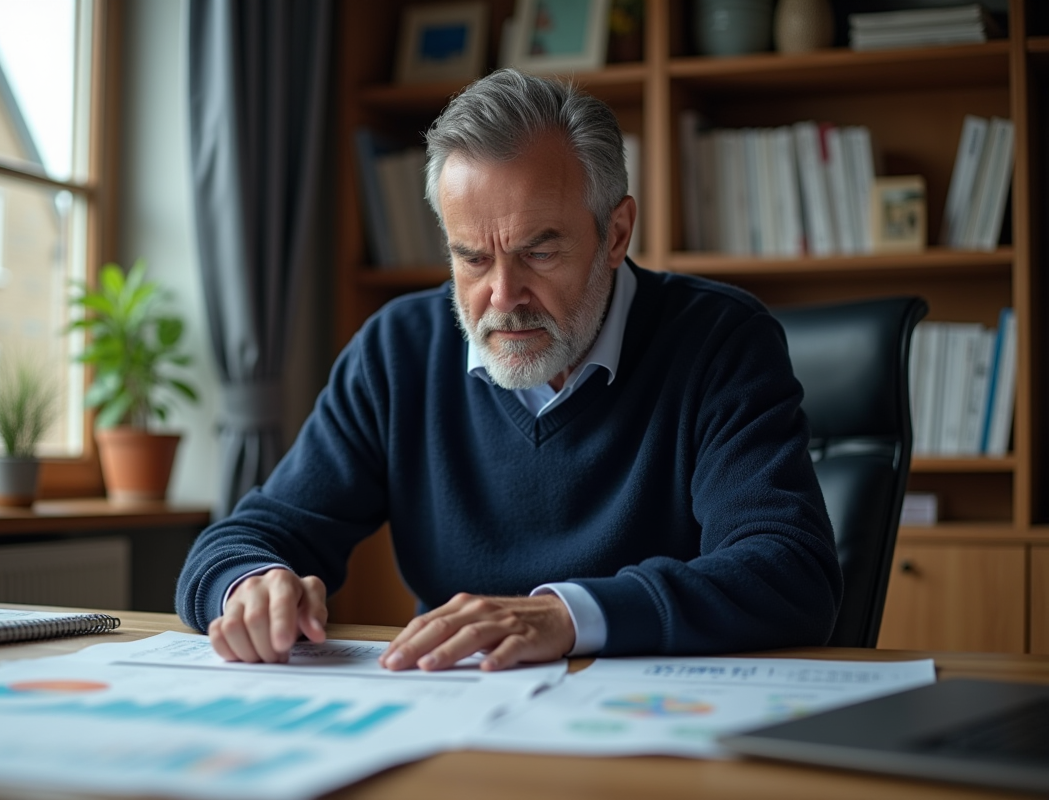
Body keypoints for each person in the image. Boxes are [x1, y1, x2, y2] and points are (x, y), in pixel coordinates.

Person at [176, 68, 843, 672]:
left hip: (648, 727)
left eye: (539, 253)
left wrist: (566, 616)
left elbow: (788, 572)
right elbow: (245, 538)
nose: (502, 296)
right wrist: (249, 585)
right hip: (459, 714)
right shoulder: (398, 349)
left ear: (615, 233)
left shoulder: (720, 340)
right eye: (471, 258)